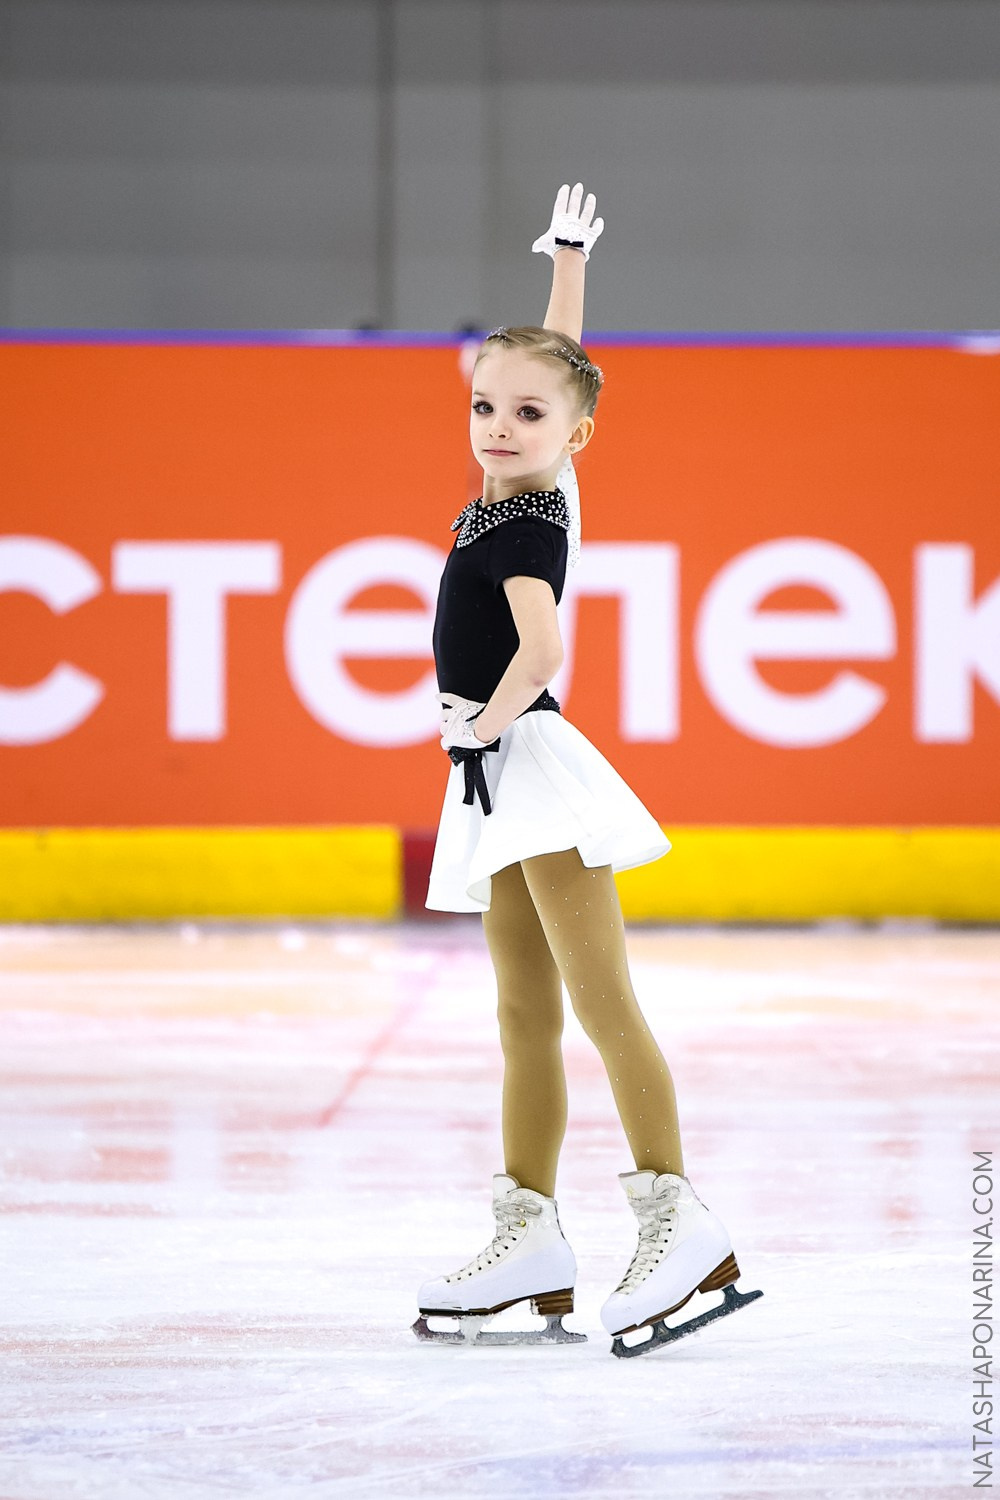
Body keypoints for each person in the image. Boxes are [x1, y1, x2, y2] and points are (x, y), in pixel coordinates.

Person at [413, 184, 762, 1357]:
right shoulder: (515, 490)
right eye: (483, 406)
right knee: (523, 1012)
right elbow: (557, 365)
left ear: (574, 436)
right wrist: (566, 265)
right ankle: (529, 1238)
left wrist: (479, 726)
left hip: (527, 767)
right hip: (499, 777)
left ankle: (680, 1220)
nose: (498, 425)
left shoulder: (523, 526)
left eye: (525, 415)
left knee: (601, 1004)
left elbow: (543, 650)